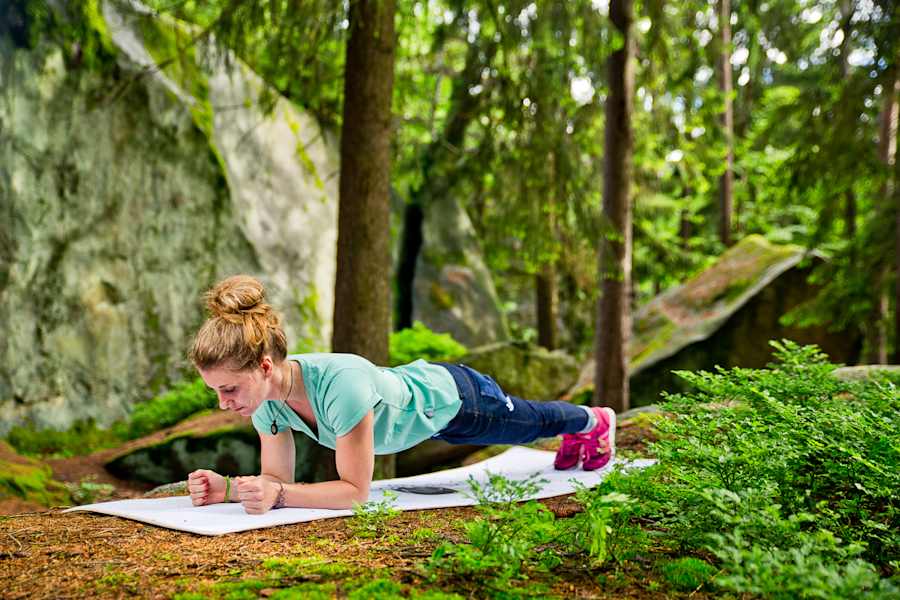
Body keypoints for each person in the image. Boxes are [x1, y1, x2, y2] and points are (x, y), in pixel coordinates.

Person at [187, 275, 616, 514]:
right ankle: (584, 425)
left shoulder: (342, 386)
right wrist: (228, 489)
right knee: (526, 426)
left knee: (532, 424)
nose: (224, 404)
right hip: (429, 423)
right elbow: (276, 481)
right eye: (217, 392)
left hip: (459, 399)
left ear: (264, 367)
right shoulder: (267, 405)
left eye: (229, 389)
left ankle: (593, 420)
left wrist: (279, 495)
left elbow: (354, 492)